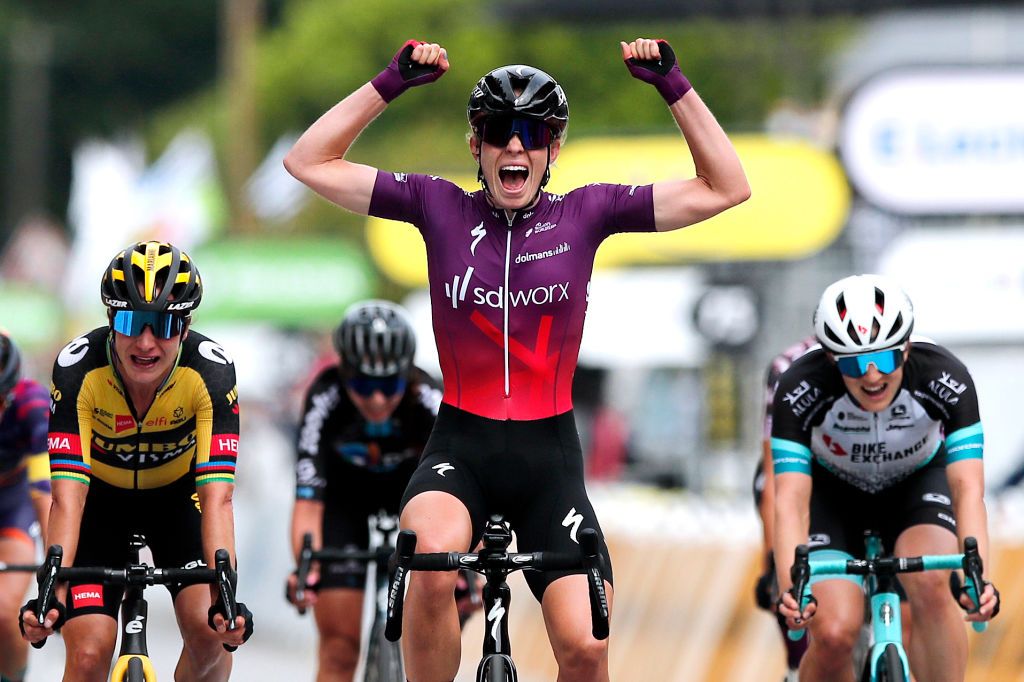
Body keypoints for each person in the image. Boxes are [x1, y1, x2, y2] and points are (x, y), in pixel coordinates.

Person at [284, 37, 749, 682]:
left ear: (553, 148)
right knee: (428, 559)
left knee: (587, 648)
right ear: (475, 144)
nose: (515, 146)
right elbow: (308, 161)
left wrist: (674, 85)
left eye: (532, 133)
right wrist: (391, 81)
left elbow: (727, 186)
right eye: (499, 131)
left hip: (548, 460)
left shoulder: (588, 213)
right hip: (460, 448)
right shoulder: (436, 205)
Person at [19, 241, 253, 682]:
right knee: (88, 655)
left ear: (185, 328)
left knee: (210, 635)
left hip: (178, 505)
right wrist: (51, 587)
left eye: (164, 326)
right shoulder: (78, 369)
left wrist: (226, 592)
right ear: (111, 321)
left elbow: (217, 497)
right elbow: (68, 498)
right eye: (131, 322)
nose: (146, 343)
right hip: (99, 509)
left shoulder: (211, 373)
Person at [773, 274, 999, 682]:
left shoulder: (947, 377)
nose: (873, 376)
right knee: (836, 632)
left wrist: (976, 576)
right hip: (833, 496)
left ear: (907, 348)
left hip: (915, 486)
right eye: (854, 364)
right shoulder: (798, 387)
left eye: (888, 358)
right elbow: (789, 500)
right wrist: (795, 587)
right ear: (830, 360)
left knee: (932, 585)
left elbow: (968, 489)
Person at [285, 300, 444, 681]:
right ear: (344, 374)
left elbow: (459, 490)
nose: (376, 399)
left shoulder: (428, 396)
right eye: (363, 385)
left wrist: (467, 570)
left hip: (414, 500)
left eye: (388, 385)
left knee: (449, 589)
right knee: (339, 649)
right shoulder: (325, 397)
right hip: (345, 504)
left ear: (407, 376)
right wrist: (307, 566)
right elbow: (308, 499)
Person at [751, 336, 816, 679]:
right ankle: (796, 667)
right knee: (789, 584)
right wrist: (771, 560)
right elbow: (774, 479)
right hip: (795, 475)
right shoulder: (787, 368)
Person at [0, 332, 50, 682]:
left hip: (13, 505)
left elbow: (44, 492)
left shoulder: (33, 404)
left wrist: (56, 569)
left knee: (3, 613)